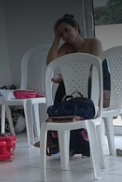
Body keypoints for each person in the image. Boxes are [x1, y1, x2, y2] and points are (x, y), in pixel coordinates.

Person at [45, 14, 111, 157]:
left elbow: (96, 71)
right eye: (61, 34)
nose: (65, 35)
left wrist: (67, 78)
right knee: (63, 92)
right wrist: (56, 39)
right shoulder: (66, 48)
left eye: (67, 30)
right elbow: (50, 64)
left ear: (75, 27)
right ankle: (64, 141)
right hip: (79, 87)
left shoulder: (94, 43)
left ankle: (79, 144)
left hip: (99, 83)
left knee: (69, 92)